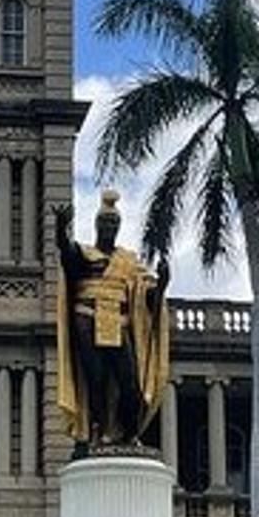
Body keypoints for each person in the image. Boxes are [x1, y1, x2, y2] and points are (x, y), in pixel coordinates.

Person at [54, 191, 172, 450]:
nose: (109, 228)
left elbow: (146, 296)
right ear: (97, 225)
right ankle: (98, 431)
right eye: (105, 223)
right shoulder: (85, 254)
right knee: (95, 380)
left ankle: (128, 433)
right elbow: (67, 255)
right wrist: (60, 229)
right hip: (87, 319)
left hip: (119, 323)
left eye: (114, 224)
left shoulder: (127, 261)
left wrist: (161, 284)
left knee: (129, 383)